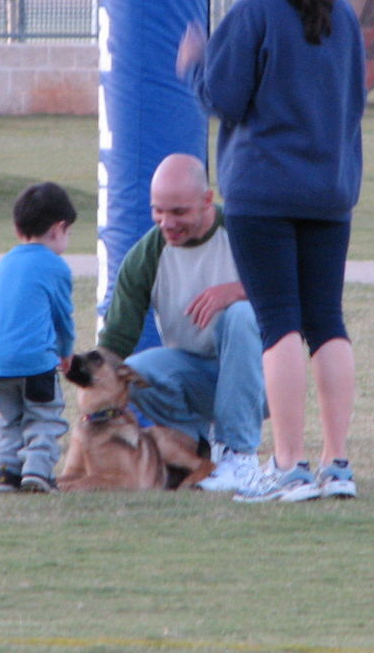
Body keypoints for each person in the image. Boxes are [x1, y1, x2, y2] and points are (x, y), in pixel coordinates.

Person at [179, 0, 366, 502]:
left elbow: (224, 97)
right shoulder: (342, 15)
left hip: (264, 193)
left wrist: (193, 66)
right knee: (326, 323)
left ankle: (288, 468)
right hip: (329, 191)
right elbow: (353, 104)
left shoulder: (255, 12)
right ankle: (337, 467)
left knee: (279, 324)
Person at [97, 153, 267, 493]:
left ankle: (240, 456)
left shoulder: (243, 231)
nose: (166, 222)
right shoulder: (146, 256)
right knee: (134, 370)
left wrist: (235, 291)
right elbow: (114, 345)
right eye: (157, 210)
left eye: (178, 212)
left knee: (240, 314)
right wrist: (93, 400)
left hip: (261, 382)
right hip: (196, 377)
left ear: (207, 200)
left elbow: (296, 291)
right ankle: (197, 453)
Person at [0, 182, 78, 494]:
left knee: (9, 418)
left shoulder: (5, 262)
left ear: (18, 227)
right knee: (44, 416)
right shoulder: (55, 266)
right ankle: (38, 471)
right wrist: (66, 351)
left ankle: (6, 472)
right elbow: (62, 316)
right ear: (59, 229)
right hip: (35, 361)